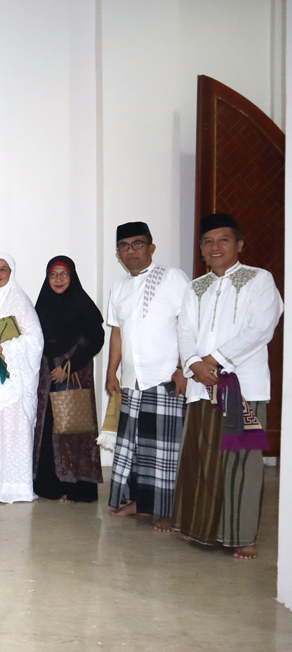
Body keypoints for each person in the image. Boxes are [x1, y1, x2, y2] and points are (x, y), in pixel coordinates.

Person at [173, 213, 283, 560]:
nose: (215, 246)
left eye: (223, 240)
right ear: (202, 250)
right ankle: (200, 528)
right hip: (201, 386)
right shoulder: (195, 287)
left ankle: (241, 535)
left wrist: (213, 361)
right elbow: (184, 331)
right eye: (208, 242)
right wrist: (193, 364)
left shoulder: (259, 280)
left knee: (242, 463)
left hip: (242, 387)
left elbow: (261, 329)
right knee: (202, 459)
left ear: (239, 244)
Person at [104, 222, 190, 532]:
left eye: (137, 244)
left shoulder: (171, 278)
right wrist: (112, 371)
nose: (131, 250)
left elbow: (186, 325)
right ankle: (140, 502)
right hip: (133, 380)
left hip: (165, 377)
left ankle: (167, 510)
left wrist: (183, 369)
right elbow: (116, 332)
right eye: (124, 246)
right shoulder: (119, 287)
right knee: (137, 446)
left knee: (166, 450)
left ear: (151, 247)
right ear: (118, 252)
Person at [32, 256, 104, 502]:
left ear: (72, 277)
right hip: (46, 376)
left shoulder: (81, 304)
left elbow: (95, 337)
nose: (59, 279)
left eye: (64, 274)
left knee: (73, 427)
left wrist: (68, 366)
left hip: (74, 376)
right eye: (54, 274)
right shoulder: (41, 306)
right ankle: (50, 485)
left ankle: (76, 488)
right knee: (49, 427)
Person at [0, 254, 43, 504]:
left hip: (10, 383)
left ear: (11, 273)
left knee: (10, 431)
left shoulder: (19, 300)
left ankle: (14, 485)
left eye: (3, 269)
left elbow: (35, 340)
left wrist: (3, 350)